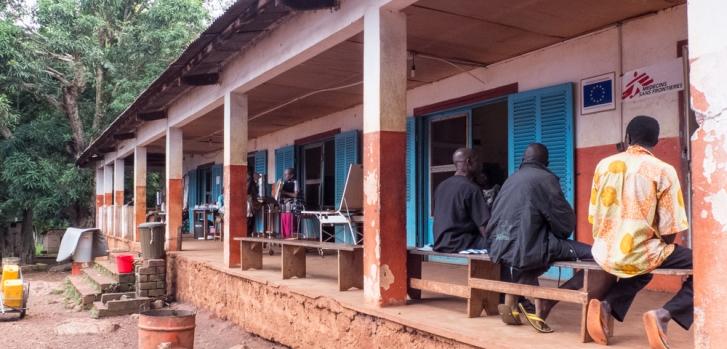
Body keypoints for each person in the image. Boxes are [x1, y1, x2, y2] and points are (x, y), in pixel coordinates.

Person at [586, 116, 691, 348]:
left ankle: (606, 305)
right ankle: (664, 314)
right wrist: (660, 246)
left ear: (627, 138)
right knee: (705, 265)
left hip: (603, 251)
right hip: (639, 252)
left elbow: (593, 215)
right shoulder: (663, 170)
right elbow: (670, 228)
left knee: (643, 272)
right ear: (656, 140)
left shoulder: (603, 165)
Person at [486, 143, 593, 333]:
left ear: (523, 160)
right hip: (527, 247)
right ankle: (547, 300)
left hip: (500, 247)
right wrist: (559, 232)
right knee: (595, 256)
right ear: (546, 163)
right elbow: (565, 222)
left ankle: (514, 298)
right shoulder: (546, 178)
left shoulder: (510, 180)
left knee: (527, 254)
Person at [432, 148, 490, 253]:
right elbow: (484, 226)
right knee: (501, 242)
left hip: (440, 242)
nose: (480, 165)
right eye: (477, 161)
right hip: (460, 243)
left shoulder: (441, 186)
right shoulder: (471, 188)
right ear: (469, 162)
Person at [279, 168, 299, 239]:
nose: (285, 176)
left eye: (286, 174)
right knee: (283, 219)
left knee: (290, 221)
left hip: (291, 204)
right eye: (284, 174)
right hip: (283, 203)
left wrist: (285, 192)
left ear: (291, 175)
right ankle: (284, 236)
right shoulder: (283, 183)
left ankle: (290, 236)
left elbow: (295, 195)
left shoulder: (295, 182)